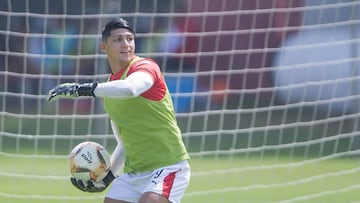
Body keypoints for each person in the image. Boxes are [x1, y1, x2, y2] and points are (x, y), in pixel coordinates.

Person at [47, 17, 191, 203]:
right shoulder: (109, 90)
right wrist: (107, 177)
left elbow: (131, 88)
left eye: (129, 39)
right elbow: (123, 144)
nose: (126, 44)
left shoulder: (146, 67)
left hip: (168, 166)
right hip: (134, 173)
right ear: (104, 48)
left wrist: (81, 89)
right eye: (118, 40)